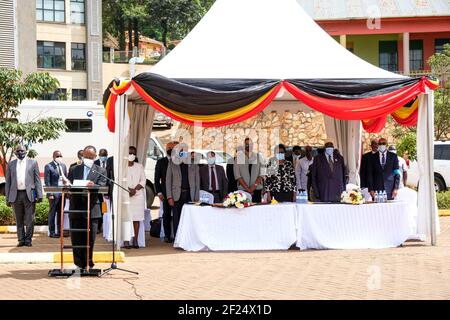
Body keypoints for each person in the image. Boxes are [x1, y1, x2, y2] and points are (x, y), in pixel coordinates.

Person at [67, 145, 107, 270]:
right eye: (86, 156)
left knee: (90, 239)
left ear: (95, 157)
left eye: (91, 157)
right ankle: (78, 264)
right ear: (82, 156)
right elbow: (69, 184)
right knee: (77, 238)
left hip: (92, 209)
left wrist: (93, 185)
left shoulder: (101, 171)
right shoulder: (74, 169)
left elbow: (102, 186)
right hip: (76, 207)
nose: (88, 159)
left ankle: (88, 263)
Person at [5, 145, 43, 247]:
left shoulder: (33, 163)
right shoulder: (11, 164)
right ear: (15, 152)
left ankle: (28, 240)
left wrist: (40, 194)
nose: (20, 152)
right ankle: (21, 240)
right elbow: (8, 182)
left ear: (26, 151)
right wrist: (7, 198)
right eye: (18, 151)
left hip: (29, 195)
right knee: (19, 219)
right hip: (15, 195)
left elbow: (37, 180)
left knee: (30, 219)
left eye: (22, 150)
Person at [166, 144, 200, 237]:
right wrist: (169, 197)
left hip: (190, 195)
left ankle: (188, 238)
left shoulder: (193, 163)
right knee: (177, 218)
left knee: (189, 218)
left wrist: (196, 197)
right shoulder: (172, 163)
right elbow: (168, 181)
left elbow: (197, 182)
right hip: (177, 195)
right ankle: (177, 238)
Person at [154, 141, 178, 243]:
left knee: (177, 214)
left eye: (173, 149)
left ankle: (177, 235)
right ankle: (168, 236)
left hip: (177, 193)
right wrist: (159, 192)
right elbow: (156, 179)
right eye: (169, 148)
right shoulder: (161, 162)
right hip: (165, 193)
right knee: (167, 215)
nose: (170, 150)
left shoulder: (179, 161)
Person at [123, 146, 146, 249]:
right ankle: (126, 241)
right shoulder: (122, 167)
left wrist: (134, 189)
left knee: (136, 219)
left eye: (133, 153)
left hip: (137, 196)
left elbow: (143, 180)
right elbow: (121, 180)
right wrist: (128, 189)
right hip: (125, 195)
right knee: (126, 219)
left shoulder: (139, 166)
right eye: (129, 153)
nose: (131, 155)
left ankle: (135, 240)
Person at [44, 150, 69, 238]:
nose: (59, 158)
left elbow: (66, 178)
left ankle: (59, 231)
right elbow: (47, 181)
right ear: (54, 157)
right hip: (53, 193)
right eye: (57, 156)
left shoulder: (63, 166)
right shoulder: (48, 166)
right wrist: (50, 193)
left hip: (62, 193)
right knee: (52, 213)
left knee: (60, 213)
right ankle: (52, 232)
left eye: (60, 156)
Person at [233, 138, 265, 203]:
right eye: (246, 144)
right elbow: (237, 175)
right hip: (243, 191)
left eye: (250, 144)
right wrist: (248, 189)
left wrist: (254, 186)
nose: (248, 146)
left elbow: (262, 173)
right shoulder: (238, 158)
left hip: (257, 190)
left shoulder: (259, 157)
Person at [94, 149, 108, 234]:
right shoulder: (95, 163)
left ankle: (104, 226)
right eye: (102, 155)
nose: (103, 157)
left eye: (105, 155)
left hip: (106, 192)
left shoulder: (109, 162)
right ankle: (98, 227)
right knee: (99, 209)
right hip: (98, 191)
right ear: (99, 155)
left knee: (105, 209)